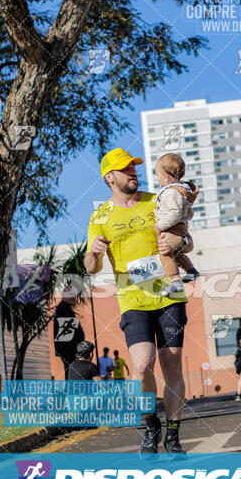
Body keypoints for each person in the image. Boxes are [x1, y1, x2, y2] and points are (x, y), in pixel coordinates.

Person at [84, 148, 191, 454]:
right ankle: (150, 426)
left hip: (169, 292)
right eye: (125, 168)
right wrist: (93, 252)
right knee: (141, 366)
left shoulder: (156, 201)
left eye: (134, 166)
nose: (133, 171)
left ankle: (172, 435)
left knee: (172, 364)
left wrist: (179, 241)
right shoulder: (100, 216)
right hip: (132, 299)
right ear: (109, 177)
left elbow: (186, 237)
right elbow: (91, 268)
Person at [154, 153, 200, 296]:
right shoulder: (179, 191)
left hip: (173, 228)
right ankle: (191, 271)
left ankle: (175, 282)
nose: (158, 179)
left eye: (158, 175)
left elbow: (174, 213)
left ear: (166, 177)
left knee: (165, 252)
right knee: (176, 254)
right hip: (178, 228)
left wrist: (160, 226)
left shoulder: (171, 193)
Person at [53, 285, 85, 379]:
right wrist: (75, 351)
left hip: (69, 351)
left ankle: (71, 392)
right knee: (71, 374)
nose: (74, 297)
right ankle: (71, 392)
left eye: (75, 295)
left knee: (71, 373)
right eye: (71, 294)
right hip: (69, 351)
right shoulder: (64, 309)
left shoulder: (65, 308)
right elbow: (67, 334)